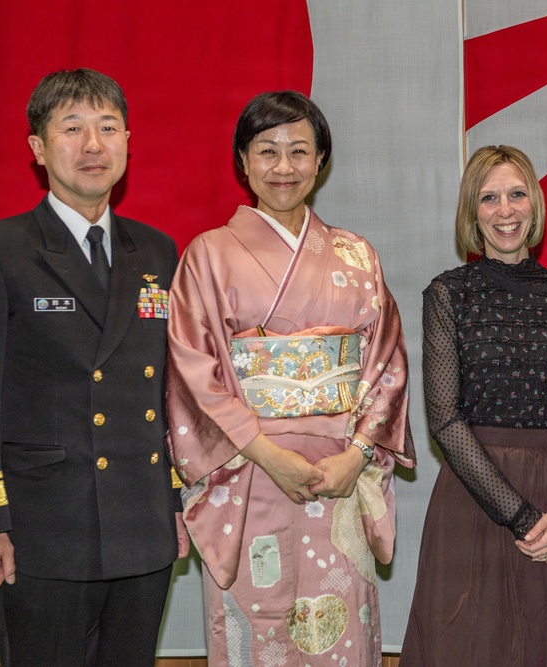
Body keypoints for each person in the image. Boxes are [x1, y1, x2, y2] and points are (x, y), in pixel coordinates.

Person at [0, 68, 187, 666]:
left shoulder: (156, 250)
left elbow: (169, 393)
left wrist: (175, 504)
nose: (93, 145)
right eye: (72, 128)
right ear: (38, 147)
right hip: (43, 530)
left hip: (141, 522)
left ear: (128, 141)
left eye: (108, 128)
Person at [166, 90, 414, 667]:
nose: (284, 166)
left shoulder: (356, 255)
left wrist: (358, 455)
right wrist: (267, 454)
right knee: (259, 629)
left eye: (300, 151)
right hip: (249, 473)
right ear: (243, 160)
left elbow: (387, 363)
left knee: (341, 629)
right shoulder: (208, 255)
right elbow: (193, 370)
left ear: (321, 160)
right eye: (267, 151)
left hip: (339, 477)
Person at [399, 145, 547, 666]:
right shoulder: (449, 294)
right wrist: (523, 518)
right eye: (489, 198)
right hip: (475, 504)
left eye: (517, 194)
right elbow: (444, 418)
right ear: (471, 211)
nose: (505, 210)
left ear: (535, 204)